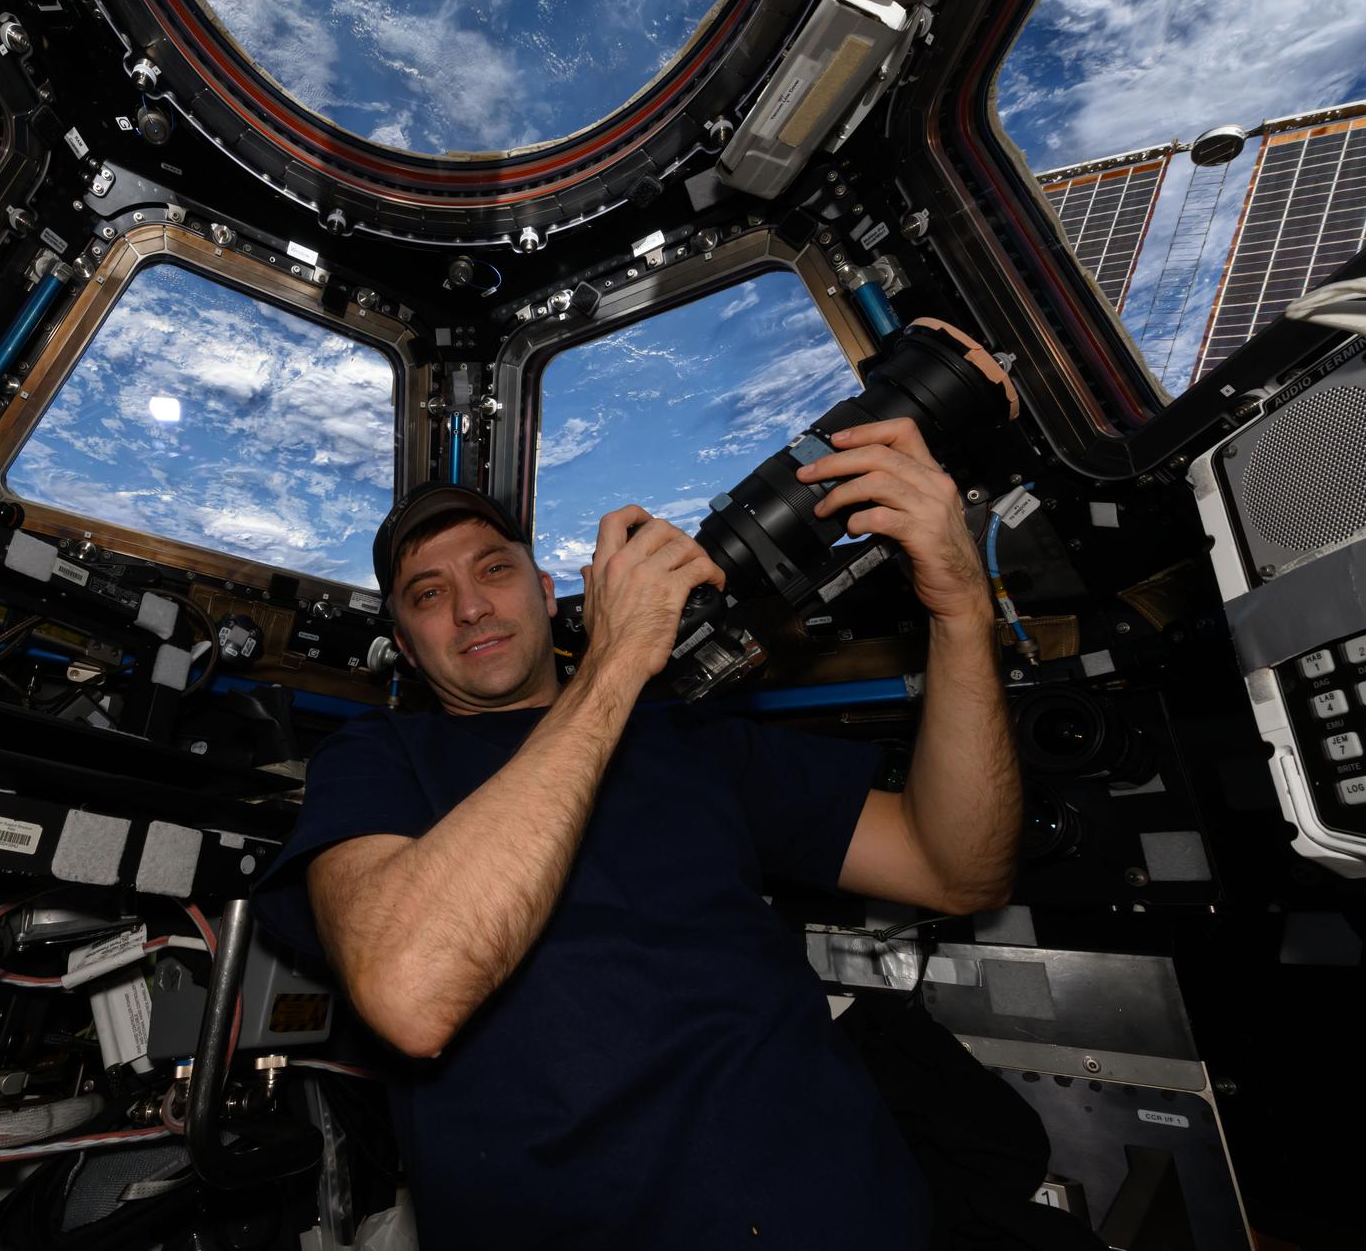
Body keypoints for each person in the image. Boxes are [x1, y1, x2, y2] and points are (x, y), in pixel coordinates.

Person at [252, 417, 1023, 1249]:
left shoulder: (693, 741)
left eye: (495, 569)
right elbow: (412, 992)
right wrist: (615, 664)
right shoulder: (377, 759)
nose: (471, 607)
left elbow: (960, 870)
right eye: (429, 595)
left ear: (547, 591)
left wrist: (959, 608)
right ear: (405, 647)